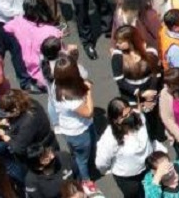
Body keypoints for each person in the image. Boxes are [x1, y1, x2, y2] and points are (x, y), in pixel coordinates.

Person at [50, 56, 97, 195]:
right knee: (82, 159)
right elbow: (88, 112)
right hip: (78, 132)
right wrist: (88, 92)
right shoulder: (69, 97)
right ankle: (86, 180)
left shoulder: (56, 85)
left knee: (81, 153)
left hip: (73, 128)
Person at [96, 97, 157, 197]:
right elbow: (101, 163)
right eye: (125, 116)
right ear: (115, 120)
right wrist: (108, 169)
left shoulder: (139, 116)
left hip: (148, 168)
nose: (130, 116)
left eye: (130, 112)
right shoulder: (110, 138)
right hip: (129, 179)